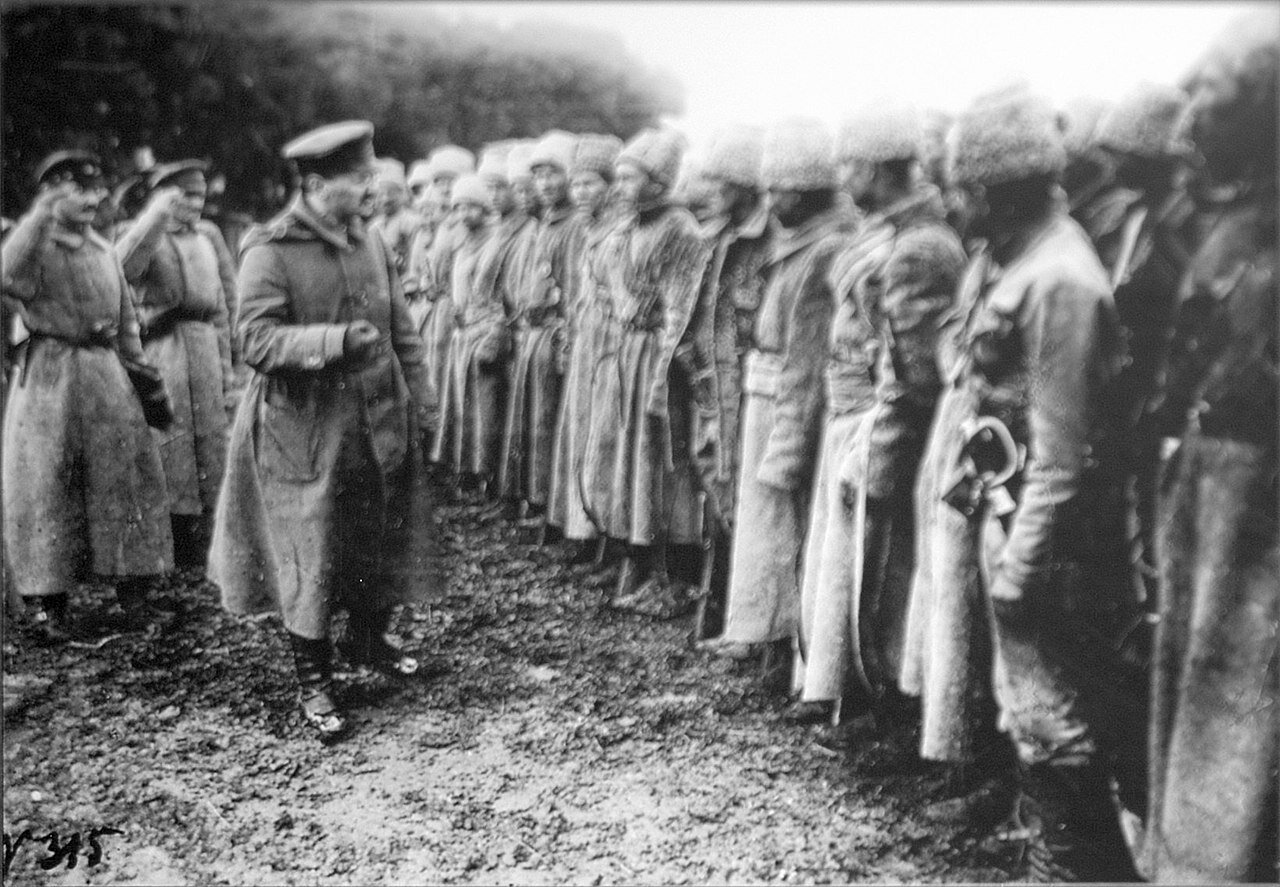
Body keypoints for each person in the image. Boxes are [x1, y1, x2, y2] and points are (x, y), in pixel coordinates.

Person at [943, 85, 1139, 881]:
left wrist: (1023, 563)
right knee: (1025, 698)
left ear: (999, 188)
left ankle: (1070, 866)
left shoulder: (1059, 277)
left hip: (1048, 527)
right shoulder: (1015, 258)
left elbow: (1063, 451)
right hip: (1008, 508)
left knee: (1053, 708)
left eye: (967, 189)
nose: (955, 204)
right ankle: (1059, 851)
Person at [208, 121, 440, 743]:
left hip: (377, 418)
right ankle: (314, 680)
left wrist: (424, 402)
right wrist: (331, 341)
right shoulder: (270, 248)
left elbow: (403, 330)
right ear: (314, 185)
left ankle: (369, 641)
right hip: (302, 425)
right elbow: (253, 341)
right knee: (308, 544)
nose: (372, 189)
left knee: (378, 528)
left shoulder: (371, 242)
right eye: (358, 179)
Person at [1142, 11, 1278, 881]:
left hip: (1261, 518)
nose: (1188, 117)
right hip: (1215, 500)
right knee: (1209, 702)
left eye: (1214, 98)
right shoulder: (1223, 231)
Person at [792, 105, 967, 727]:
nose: (840, 176)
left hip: (886, 423)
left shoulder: (919, 246)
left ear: (878, 166)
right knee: (855, 568)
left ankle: (886, 711)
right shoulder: (886, 233)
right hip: (856, 413)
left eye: (849, 163)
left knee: (887, 575)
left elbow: (915, 376)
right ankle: (849, 693)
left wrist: (881, 460)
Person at [1, 150, 175, 642]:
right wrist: (37, 216)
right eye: (78, 190)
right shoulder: (34, 245)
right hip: (50, 379)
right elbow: (5, 276)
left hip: (105, 378)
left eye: (97, 190)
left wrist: (149, 389)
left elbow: (126, 330)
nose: (94, 200)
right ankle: (48, 604)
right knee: (46, 486)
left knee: (124, 481)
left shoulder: (103, 251)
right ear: (52, 193)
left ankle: (135, 594)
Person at [708, 119, 857, 684]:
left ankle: (785, 646)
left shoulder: (826, 249)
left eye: (783, 189)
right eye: (767, 188)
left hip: (794, 400)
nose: (771, 201)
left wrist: (792, 441)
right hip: (764, 388)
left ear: (812, 187)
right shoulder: (791, 242)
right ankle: (759, 633)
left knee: (788, 522)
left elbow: (808, 354)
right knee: (763, 522)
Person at [578, 128, 711, 613]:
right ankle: (635, 556)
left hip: (660, 358)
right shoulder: (626, 227)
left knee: (661, 462)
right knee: (627, 456)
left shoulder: (679, 230)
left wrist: (666, 371)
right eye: (619, 177)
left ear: (658, 181)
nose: (622, 186)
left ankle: (673, 575)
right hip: (626, 355)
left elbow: (682, 308)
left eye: (632, 177)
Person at [116, 159, 241, 572]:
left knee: (209, 440)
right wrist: (154, 218)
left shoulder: (208, 238)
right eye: (185, 195)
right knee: (172, 441)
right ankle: (173, 537)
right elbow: (123, 268)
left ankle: (206, 534)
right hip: (164, 346)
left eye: (200, 195)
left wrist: (227, 364)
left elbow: (224, 302)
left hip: (204, 345)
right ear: (165, 197)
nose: (195, 203)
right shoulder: (149, 237)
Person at [674, 124, 771, 638]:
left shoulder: (767, 241)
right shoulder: (713, 239)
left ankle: (746, 623)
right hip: (710, 390)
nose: (706, 190)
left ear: (742, 183)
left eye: (718, 181)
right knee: (714, 492)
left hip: (746, 395)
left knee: (745, 502)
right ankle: (718, 611)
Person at [546, 133, 624, 563]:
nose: (580, 193)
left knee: (604, 435)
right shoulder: (587, 230)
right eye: (576, 184)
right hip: (586, 337)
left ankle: (604, 536)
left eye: (590, 184)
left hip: (610, 343)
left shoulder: (618, 230)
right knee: (580, 428)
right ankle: (580, 528)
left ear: (610, 186)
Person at [499, 130, 578, 534]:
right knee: (530, 422)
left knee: (549, 422)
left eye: (554, 174)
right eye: (540, 175)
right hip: (532, 335)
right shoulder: (541, 225)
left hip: (554, 334)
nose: (545, 184)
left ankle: (553, 509)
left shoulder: (574, 225)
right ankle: (534, 500)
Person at [431, 168, 517, 494]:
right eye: (459, 207)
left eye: (472, 206)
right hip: (464, 331)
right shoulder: (461, 243)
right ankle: (466, 469)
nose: (465, 214)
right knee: (463, 405)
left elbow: (500, 295)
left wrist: (495, 333)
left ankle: (489, 475)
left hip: (486, 330)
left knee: (488, 408)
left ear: (484, 208)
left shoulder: (495, 242)